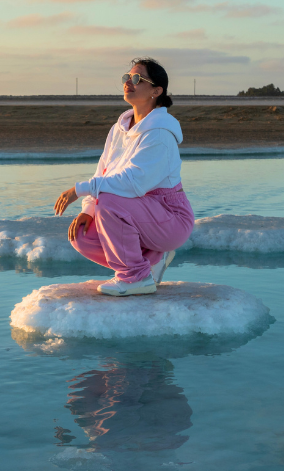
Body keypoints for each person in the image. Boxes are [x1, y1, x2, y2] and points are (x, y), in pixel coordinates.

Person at [53, 58, 194, 296]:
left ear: (156, 91)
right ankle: (150, 263)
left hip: (170, 218)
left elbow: (133, 183)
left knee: (109, 200)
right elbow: (104, 171)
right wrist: (88, 210)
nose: (129, 82)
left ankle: (134, 278)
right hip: (138, 212)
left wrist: (79, 190)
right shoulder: (120, 128)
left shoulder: (159, 133)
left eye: (138, 79)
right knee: (82, 235)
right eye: (127, 77)